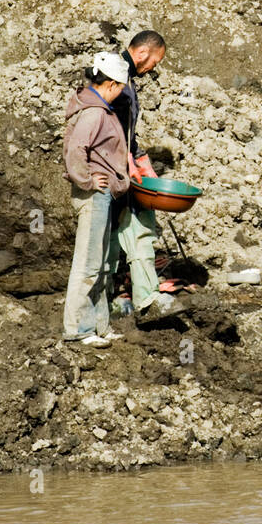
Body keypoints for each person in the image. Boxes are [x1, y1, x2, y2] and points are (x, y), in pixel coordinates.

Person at [103, 30, 185, 323]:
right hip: (115, 174)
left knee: (114, 235)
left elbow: (127, 136)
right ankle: (146, 300)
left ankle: (108, 299)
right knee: (138, 231)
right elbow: (112, 135)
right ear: (141, 54)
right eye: (154, 61)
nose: (154, 67)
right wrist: (129, 165)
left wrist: (140, 160)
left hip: (116, 171)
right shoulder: (120, 86)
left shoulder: (120, 82)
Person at [61, 53, 132, 348]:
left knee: (102, 264)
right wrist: (88, 180)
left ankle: (100, 325)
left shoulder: (99, 108)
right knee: (88, 264)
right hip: (94, 194)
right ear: (113, 84)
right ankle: (79, 328)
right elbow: (76, 149)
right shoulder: (94, 113)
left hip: (103, 194)